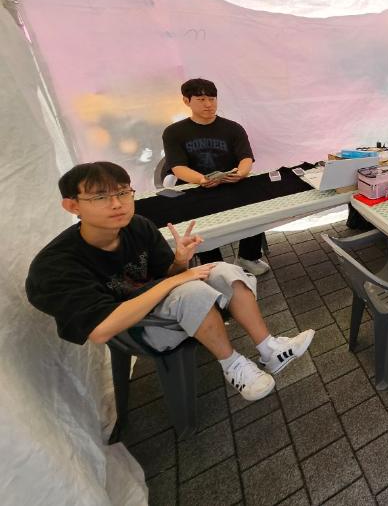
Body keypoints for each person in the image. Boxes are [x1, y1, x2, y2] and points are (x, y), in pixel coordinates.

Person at [26, 162, 314, 402]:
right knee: (192, 290)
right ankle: (233, 365)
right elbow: (101, 330)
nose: (117, 204)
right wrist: (175, 281)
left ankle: (269, 349)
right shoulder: (57, 264)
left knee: (222, 270)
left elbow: (168, 276)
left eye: (123, 192)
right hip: (133, 328)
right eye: (100, 197)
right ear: (72, 205)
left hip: (162, 303)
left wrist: (179, 261)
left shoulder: (137, 226)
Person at [162, 78, 269, 275]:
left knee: (257, 206)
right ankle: (213, 265)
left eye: (212, 99)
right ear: (186, 101)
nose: (208, 104)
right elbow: (177, 167)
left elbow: (246, 158)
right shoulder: (174, 132)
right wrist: (202, 180)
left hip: (231, 183)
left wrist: (240, 173)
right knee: (200, 222)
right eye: (201, 99)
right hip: (195, 187)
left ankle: (248, 256)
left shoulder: (233, 128)